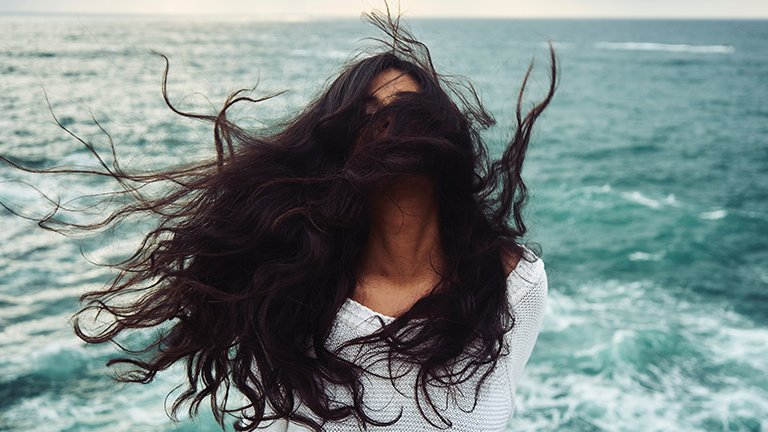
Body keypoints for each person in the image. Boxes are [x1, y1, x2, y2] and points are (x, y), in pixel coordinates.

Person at [1, 7, 555, 432]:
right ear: (339, 146)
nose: (389, 125)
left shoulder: (516, 285)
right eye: (367, 116)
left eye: (407, 110)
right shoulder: (293, 294)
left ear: (445, 134)